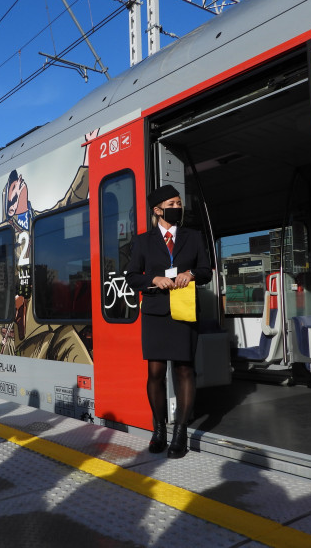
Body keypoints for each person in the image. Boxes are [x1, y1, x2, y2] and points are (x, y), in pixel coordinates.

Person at [126, 185, 212, 459]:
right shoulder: (143, 241)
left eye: (179, 203)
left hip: (183, 310)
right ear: (158, 209)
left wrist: (190, 273)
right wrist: (153, 279)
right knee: (155, 373)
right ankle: (159, 430)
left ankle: (180, 433)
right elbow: (131, 276)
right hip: (155, 312)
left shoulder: (193, 237)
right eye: (172, 203)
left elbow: (206, 271)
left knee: (185, 371)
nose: (178, 207)